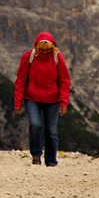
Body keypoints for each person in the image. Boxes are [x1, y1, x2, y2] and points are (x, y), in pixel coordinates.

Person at [14, 31, 70, 166]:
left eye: (48, 50)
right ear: (36, 48)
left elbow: (64, 81)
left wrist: (64, 101)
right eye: (42, 50)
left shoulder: (57, 58)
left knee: (51, 131)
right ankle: (36, 155)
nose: (45, 52)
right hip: (32, 98)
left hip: (53, 100)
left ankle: (51, 161)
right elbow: (21, 80)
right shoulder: (28, 57)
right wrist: (18, 101)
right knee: (35, 125)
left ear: (53, 48)